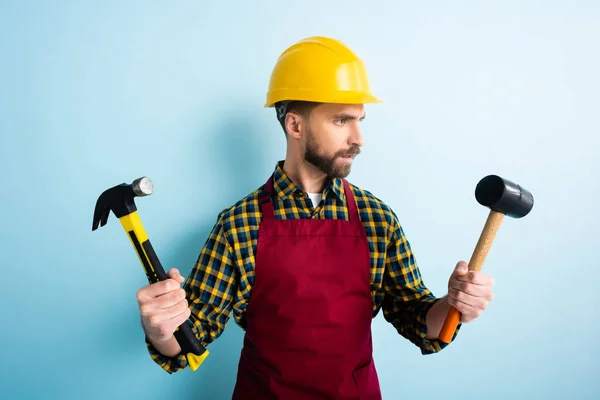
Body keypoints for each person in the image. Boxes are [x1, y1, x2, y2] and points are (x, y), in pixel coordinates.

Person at [135, 36, 495, 399]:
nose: (359, 139)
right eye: (341, 120)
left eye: (360, 120)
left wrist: (453, 305)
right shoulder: (240, 224)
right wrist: (162, 330)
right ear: (295, 125)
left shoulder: (377, 220)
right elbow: (187, 341)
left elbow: (417, 318)